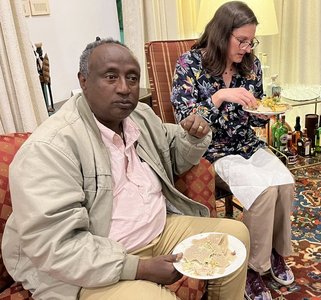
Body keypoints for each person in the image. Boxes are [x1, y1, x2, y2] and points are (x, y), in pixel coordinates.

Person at [1, 38, 250, 300]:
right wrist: (138, 267)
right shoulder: (50, 148)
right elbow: (56, 245)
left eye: (132, 78)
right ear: (83, 81)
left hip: (158, 230)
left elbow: (172, 152)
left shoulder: (139, 116)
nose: (124, 88)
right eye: (110, 77)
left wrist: (193, 136)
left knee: (235, 235)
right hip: (89, 266)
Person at [170, 2, 295, 299]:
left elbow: (254, 107)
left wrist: (261, 113)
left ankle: (275, 252)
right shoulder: (190, 64)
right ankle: (251, 267)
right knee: (263, 192)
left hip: (247, 143)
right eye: (242, 41)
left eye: (252, 41)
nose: (247, 48)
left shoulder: (252, 65)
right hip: (214, 150)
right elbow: (185, 120)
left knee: (284, 183)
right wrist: (218, 97)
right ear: (221, 34)